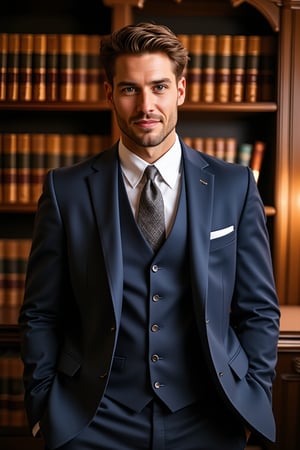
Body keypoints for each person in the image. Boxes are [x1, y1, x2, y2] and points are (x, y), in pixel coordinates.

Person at [19, 22, 280, 450]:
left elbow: (259, 310)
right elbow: (40, 313)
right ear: (109, 94)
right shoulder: (65, 189)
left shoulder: (236, 185)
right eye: (129, 89)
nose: (146, 105)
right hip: (92, 419)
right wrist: (43, 409)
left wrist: (252, 397)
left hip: (210, 416)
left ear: (180, 89)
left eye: (158, 87)